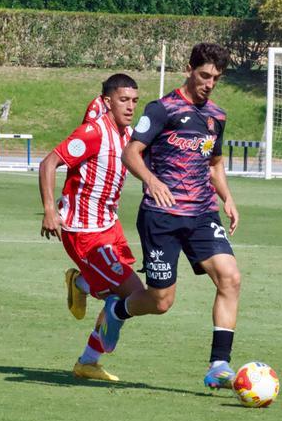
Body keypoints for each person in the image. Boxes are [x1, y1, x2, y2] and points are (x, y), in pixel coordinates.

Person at [116, 42, 243, 390]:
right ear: (189, 69)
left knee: (230, 278)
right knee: (161, 302)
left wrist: (228, 198)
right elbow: (131, 154)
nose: (209, 83)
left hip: (203, 213)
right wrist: (152, 181)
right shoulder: (162, 109)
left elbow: (214, 164)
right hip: (162, 216)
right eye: (204, 75)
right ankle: (118, 311)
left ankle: (219, 364)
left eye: (216, 78)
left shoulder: (216, 116)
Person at [39, 74, 149, 382]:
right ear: (107, 101)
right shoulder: (93, 133)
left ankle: (88, 360)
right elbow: (49, 163)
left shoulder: (127, 134)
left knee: (123, 298)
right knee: (132, 295)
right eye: (123, 100)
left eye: (134, 101)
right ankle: (83, 288)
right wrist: (50, 210)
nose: (130, 106)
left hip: (110, 226)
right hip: (84, 232)